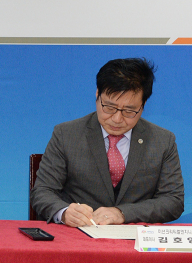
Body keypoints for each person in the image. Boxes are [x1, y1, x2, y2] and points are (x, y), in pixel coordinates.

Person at [31, 57, 184, 227]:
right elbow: (43, 192)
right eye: (109, 107)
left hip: (134, 238)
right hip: (79, 234)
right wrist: (65, 212)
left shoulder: (163, 141)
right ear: (97, 95)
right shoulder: (66, 134)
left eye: (129, 110)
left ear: (143, 104)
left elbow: (173, 201)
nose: (117, 119)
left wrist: (122, 213)